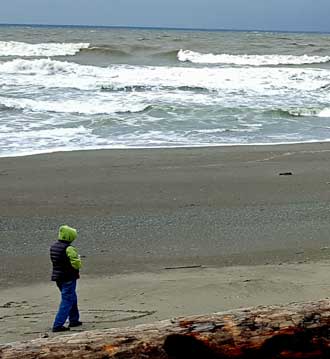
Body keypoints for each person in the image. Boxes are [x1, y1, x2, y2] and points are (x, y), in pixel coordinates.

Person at [50, 225, 82, 332]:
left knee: (72, 297)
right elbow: (76, 263)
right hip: (68, 276)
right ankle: (58, 324)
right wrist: (78, 261)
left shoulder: (54, 246)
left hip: (58, 277)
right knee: (67, 300)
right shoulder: (69, 248)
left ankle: (74, 320)